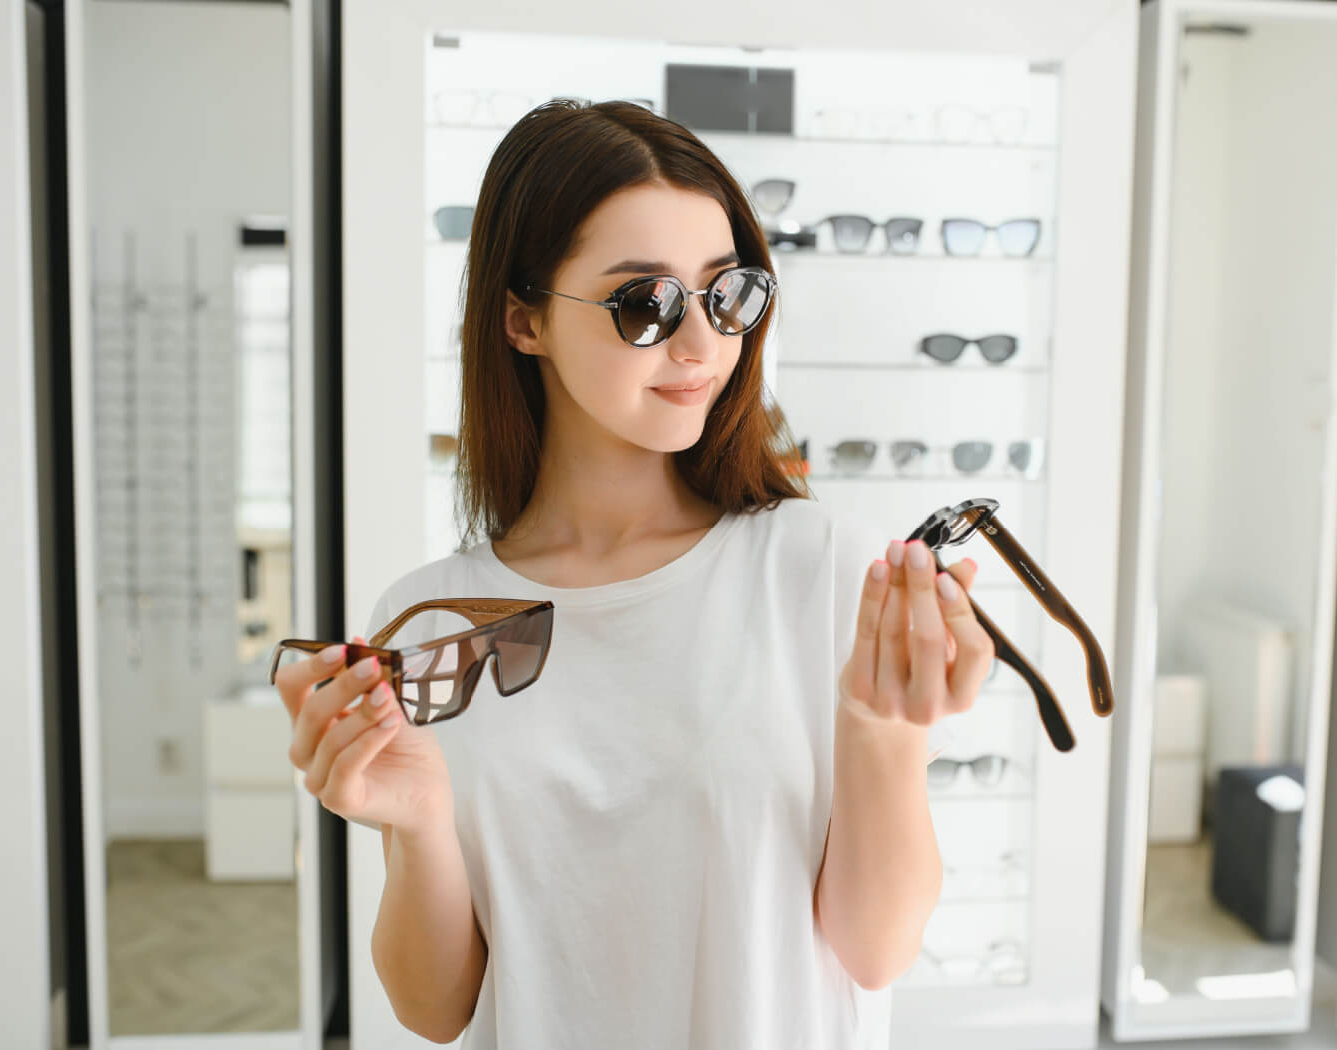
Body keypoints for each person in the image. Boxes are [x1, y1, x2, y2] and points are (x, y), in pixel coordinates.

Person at [274, 98, 993, 1049]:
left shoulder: (820, 566)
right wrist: (418, 825)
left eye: (725, 292)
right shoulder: (428, 619)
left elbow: (874, 952)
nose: (702, 345)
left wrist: (886, 732)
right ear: (523, 320)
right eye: (643, 302)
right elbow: (435, 1008)